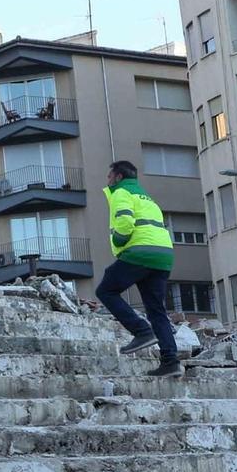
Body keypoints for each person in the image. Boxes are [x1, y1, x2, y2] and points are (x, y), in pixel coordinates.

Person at [99, 159, 180, 377]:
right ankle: (171, 361)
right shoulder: (147, 197)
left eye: (109, 176)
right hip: (163, 256)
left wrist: (117, 241)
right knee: (156, 310)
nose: (107, 180)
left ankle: (142, 331)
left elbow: (125, 223)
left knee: (105, 289)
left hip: (141, 251)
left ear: (118, 177)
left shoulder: (121, 193)